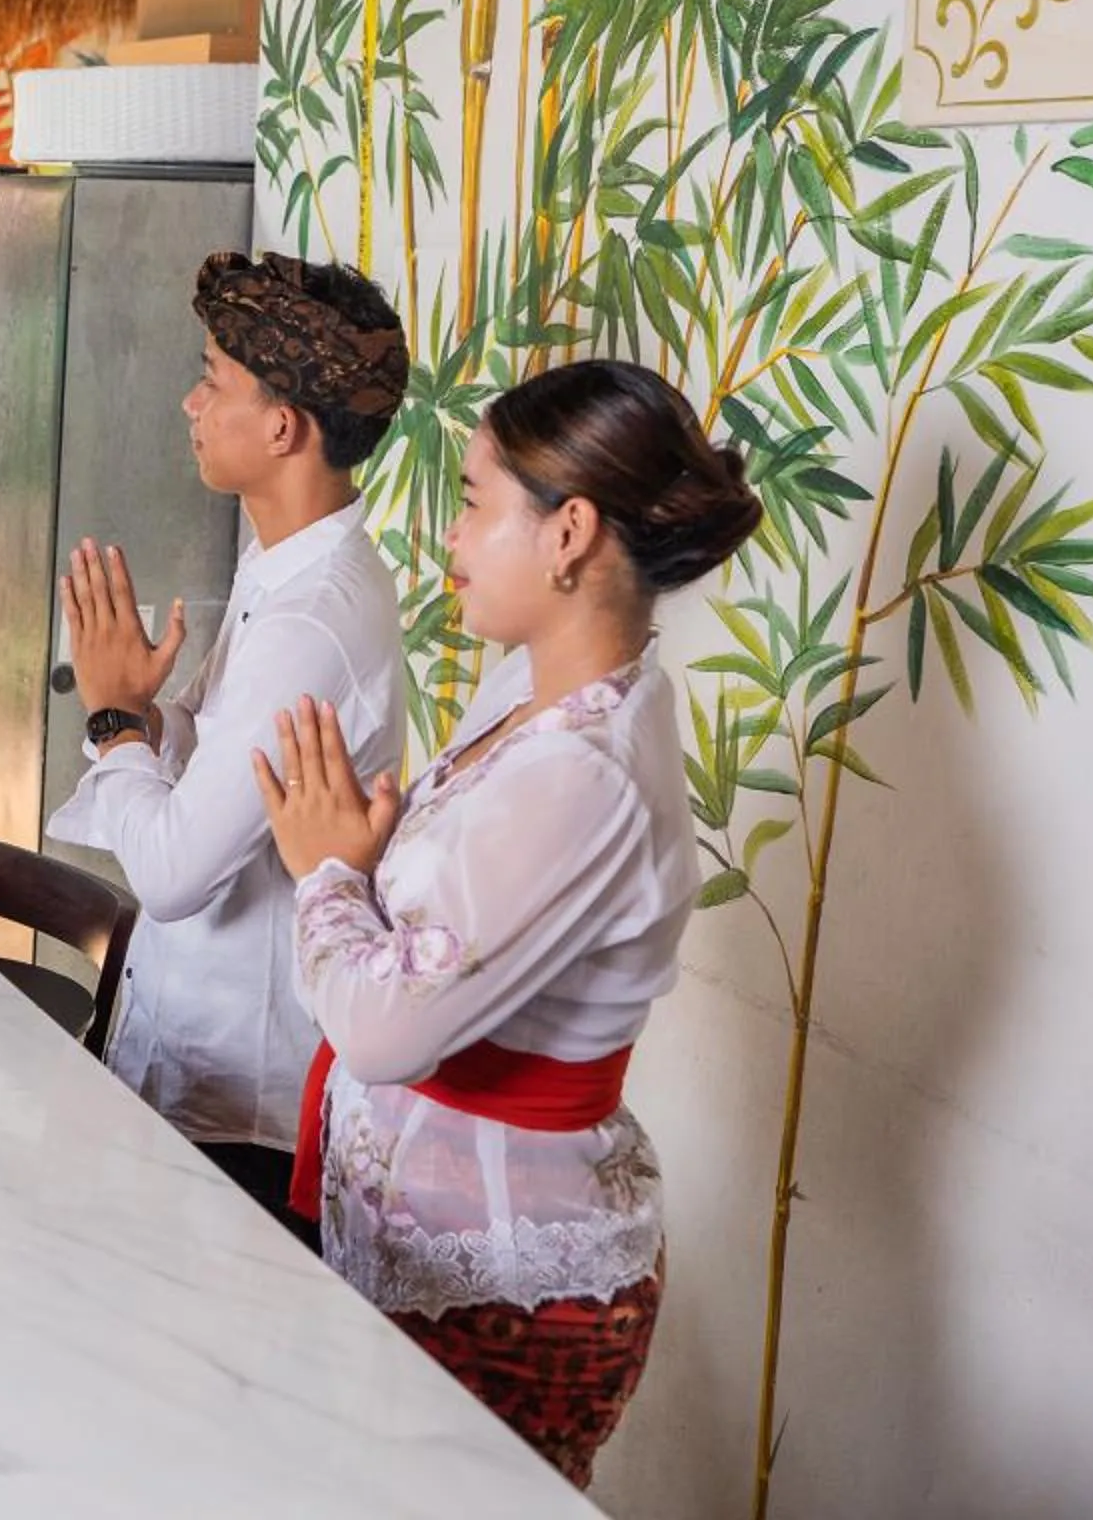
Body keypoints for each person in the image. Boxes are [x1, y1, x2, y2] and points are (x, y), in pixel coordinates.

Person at [253, 358, 763, 1488]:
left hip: (500, 1278)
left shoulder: (584, 770)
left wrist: (327, 871)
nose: (453, 531)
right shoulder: (534, 697)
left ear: (569, 530)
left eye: (478, 500)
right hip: (429, 1235)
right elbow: (462, 933)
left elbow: (387, 1028)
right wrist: (377, 859)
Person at [47, 250, 410, 1246]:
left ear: (283, 425)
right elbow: (235, 767)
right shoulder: (284, 559)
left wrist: (117, 718)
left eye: (213, 378)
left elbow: (172, 874)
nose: (188, 401)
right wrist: (161, 717)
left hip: (240, 1105)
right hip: (200, 1059)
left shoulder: (312, 619)